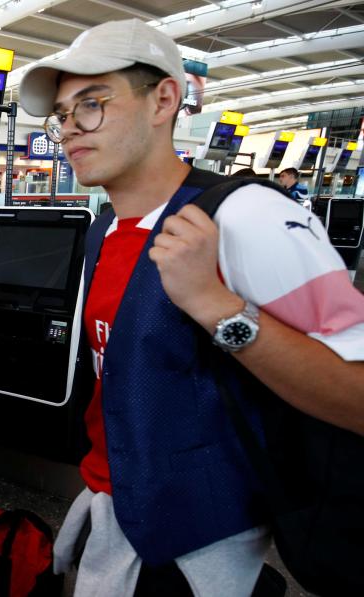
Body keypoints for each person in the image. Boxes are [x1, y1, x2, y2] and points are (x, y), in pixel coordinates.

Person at [19, 18, 364, 596]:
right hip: (119, 513)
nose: (71, 129)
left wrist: (217, 307)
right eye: (61, 115)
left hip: (204, 541)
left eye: (92, 104)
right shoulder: (105, 229)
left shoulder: (248, 217)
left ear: (163, 100)